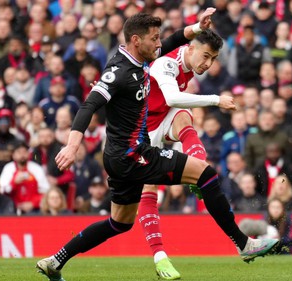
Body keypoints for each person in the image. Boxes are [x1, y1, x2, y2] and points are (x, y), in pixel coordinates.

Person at [36, 12, 278, 281]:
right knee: (205, 173)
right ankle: (244, 244)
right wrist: (72, 146)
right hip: (133, 155)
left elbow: (176, 39)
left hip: (120, 157)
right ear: (137, 40)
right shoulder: (118, 72)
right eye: (154, 39)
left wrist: (197, 27)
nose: (159, 44)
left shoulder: (142, 57)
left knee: (119, 223)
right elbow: (89, 105)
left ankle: (55, 261)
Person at [141, 24, 242, 277]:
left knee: (185, 118)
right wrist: (216, 100)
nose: (208, 64)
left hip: (160, 117)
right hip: (140, 130)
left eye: (214, 59)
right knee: (137, 200)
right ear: (191, 48)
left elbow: (172, 104)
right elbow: (173, 98)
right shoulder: (167, 64)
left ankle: (198, 174)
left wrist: (199, 26)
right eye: (206, 56)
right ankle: (160, 256)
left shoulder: (190, 65)